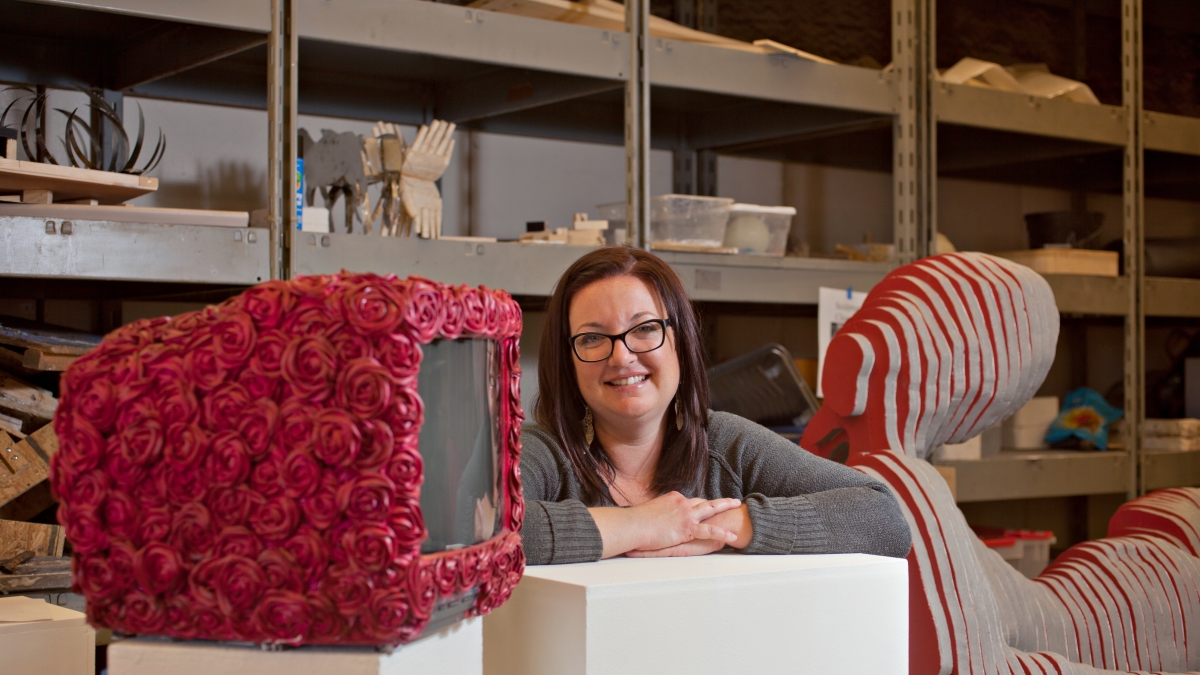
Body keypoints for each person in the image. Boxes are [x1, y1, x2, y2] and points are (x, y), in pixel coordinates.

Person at [520, 246, 912, 565]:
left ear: (681, 341)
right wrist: (643, 524)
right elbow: (480, 532)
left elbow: (882, 518)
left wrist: (727, 524)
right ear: (566, 361)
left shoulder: (726, 443)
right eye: (592, 338)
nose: (622, 357)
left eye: (644, 329)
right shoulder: (542, 450)